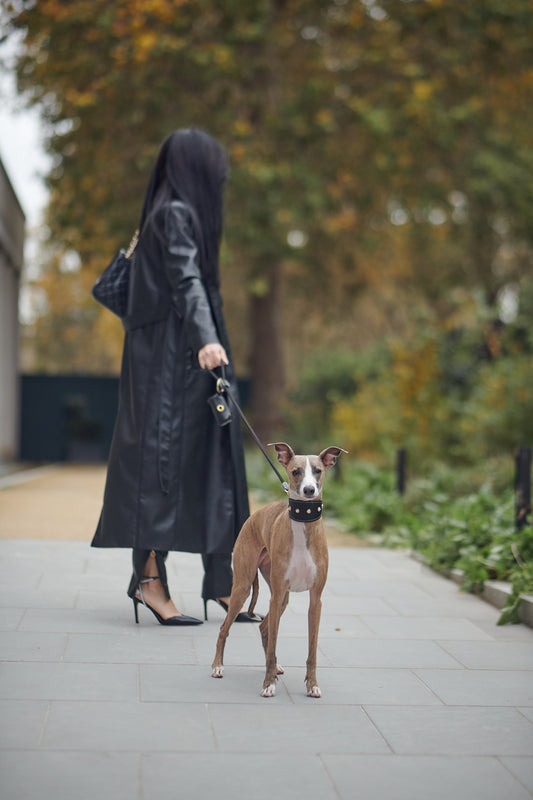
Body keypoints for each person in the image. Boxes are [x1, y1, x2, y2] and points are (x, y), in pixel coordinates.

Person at [92, 128, 258, 626]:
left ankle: (224, 584)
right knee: (160, 471)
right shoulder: (175, 214)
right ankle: (148, 582)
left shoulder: (164, 214)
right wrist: (208, 339)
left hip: (181, 362)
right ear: (197, 171)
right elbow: (187, 280)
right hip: (171, 365)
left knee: (213, 466)